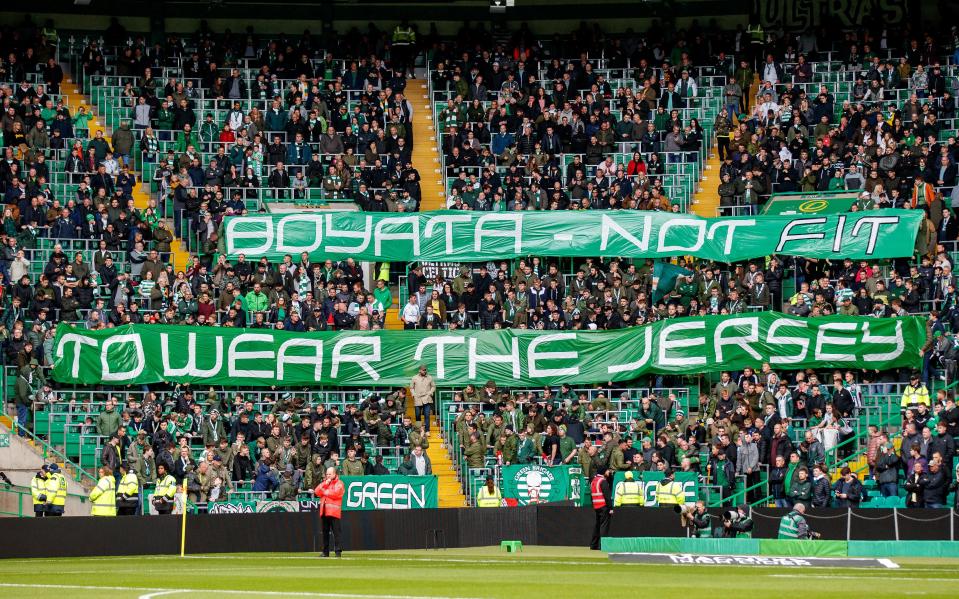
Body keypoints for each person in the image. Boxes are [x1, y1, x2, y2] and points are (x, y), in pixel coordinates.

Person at [314, 466, 345, 557]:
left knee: (336, 533)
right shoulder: (325, 483)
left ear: (334, 474)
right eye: (327, 474)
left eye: (329, 474)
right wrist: (324, 485)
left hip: (334, 512)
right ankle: (325, 552)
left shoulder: (340, 483)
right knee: (325, 533)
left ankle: (338, 552)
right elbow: (316, 491)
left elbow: (336, 494)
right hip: (324, 511)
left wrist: (325, 491)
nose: (328, 476)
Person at [590, 469, 613, 550]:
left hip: (596, 506)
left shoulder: (594, 481)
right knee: (604, 526)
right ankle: (602, 545)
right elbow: (607, 496)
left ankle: (593, 545)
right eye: (607, 471)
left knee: (597, 526)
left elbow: (591, 495)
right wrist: (610, 508)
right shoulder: (602, 481)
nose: (608, 472)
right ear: (603, 472)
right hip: (604, 506)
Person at [410, 365, 435, 433]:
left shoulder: (430, 377)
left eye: (425, 370)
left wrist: (430, 393)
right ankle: (419, 429)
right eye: (423, 370)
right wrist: (413, 394)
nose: (425, 371)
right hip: (417, 398)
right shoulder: (414, 377)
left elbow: (433, 386)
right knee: (417, 415)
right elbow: (411, 388)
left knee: (427, 415)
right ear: (419, 370)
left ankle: (427, 430)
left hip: (427, 398)